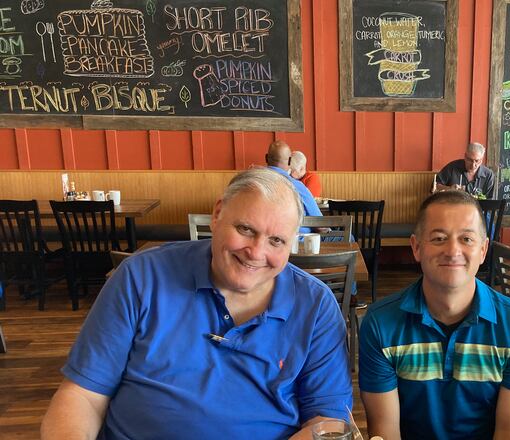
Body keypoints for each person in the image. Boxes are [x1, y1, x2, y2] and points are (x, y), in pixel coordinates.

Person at [40, 168, 353, 439]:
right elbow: (83, 395)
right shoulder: (141, 276)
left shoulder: (315, 304)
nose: (256, 253)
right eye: (245, 229)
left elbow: (327, 421)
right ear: (217, 215)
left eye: (276, 241)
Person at [359, 190, 510, 440]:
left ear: (484, 250)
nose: (453, 250)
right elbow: (386, 432)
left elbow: (509, 433)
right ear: (416, 247)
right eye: (439, 238)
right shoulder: (380, 324)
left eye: (466, 239)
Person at [266, 140, 323, 233]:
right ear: (289, 161)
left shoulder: (250, 182)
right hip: (298, 241)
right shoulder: (296, 186)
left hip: (261, 240)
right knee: (348, 237)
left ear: (266, 158)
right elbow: (320, 224)